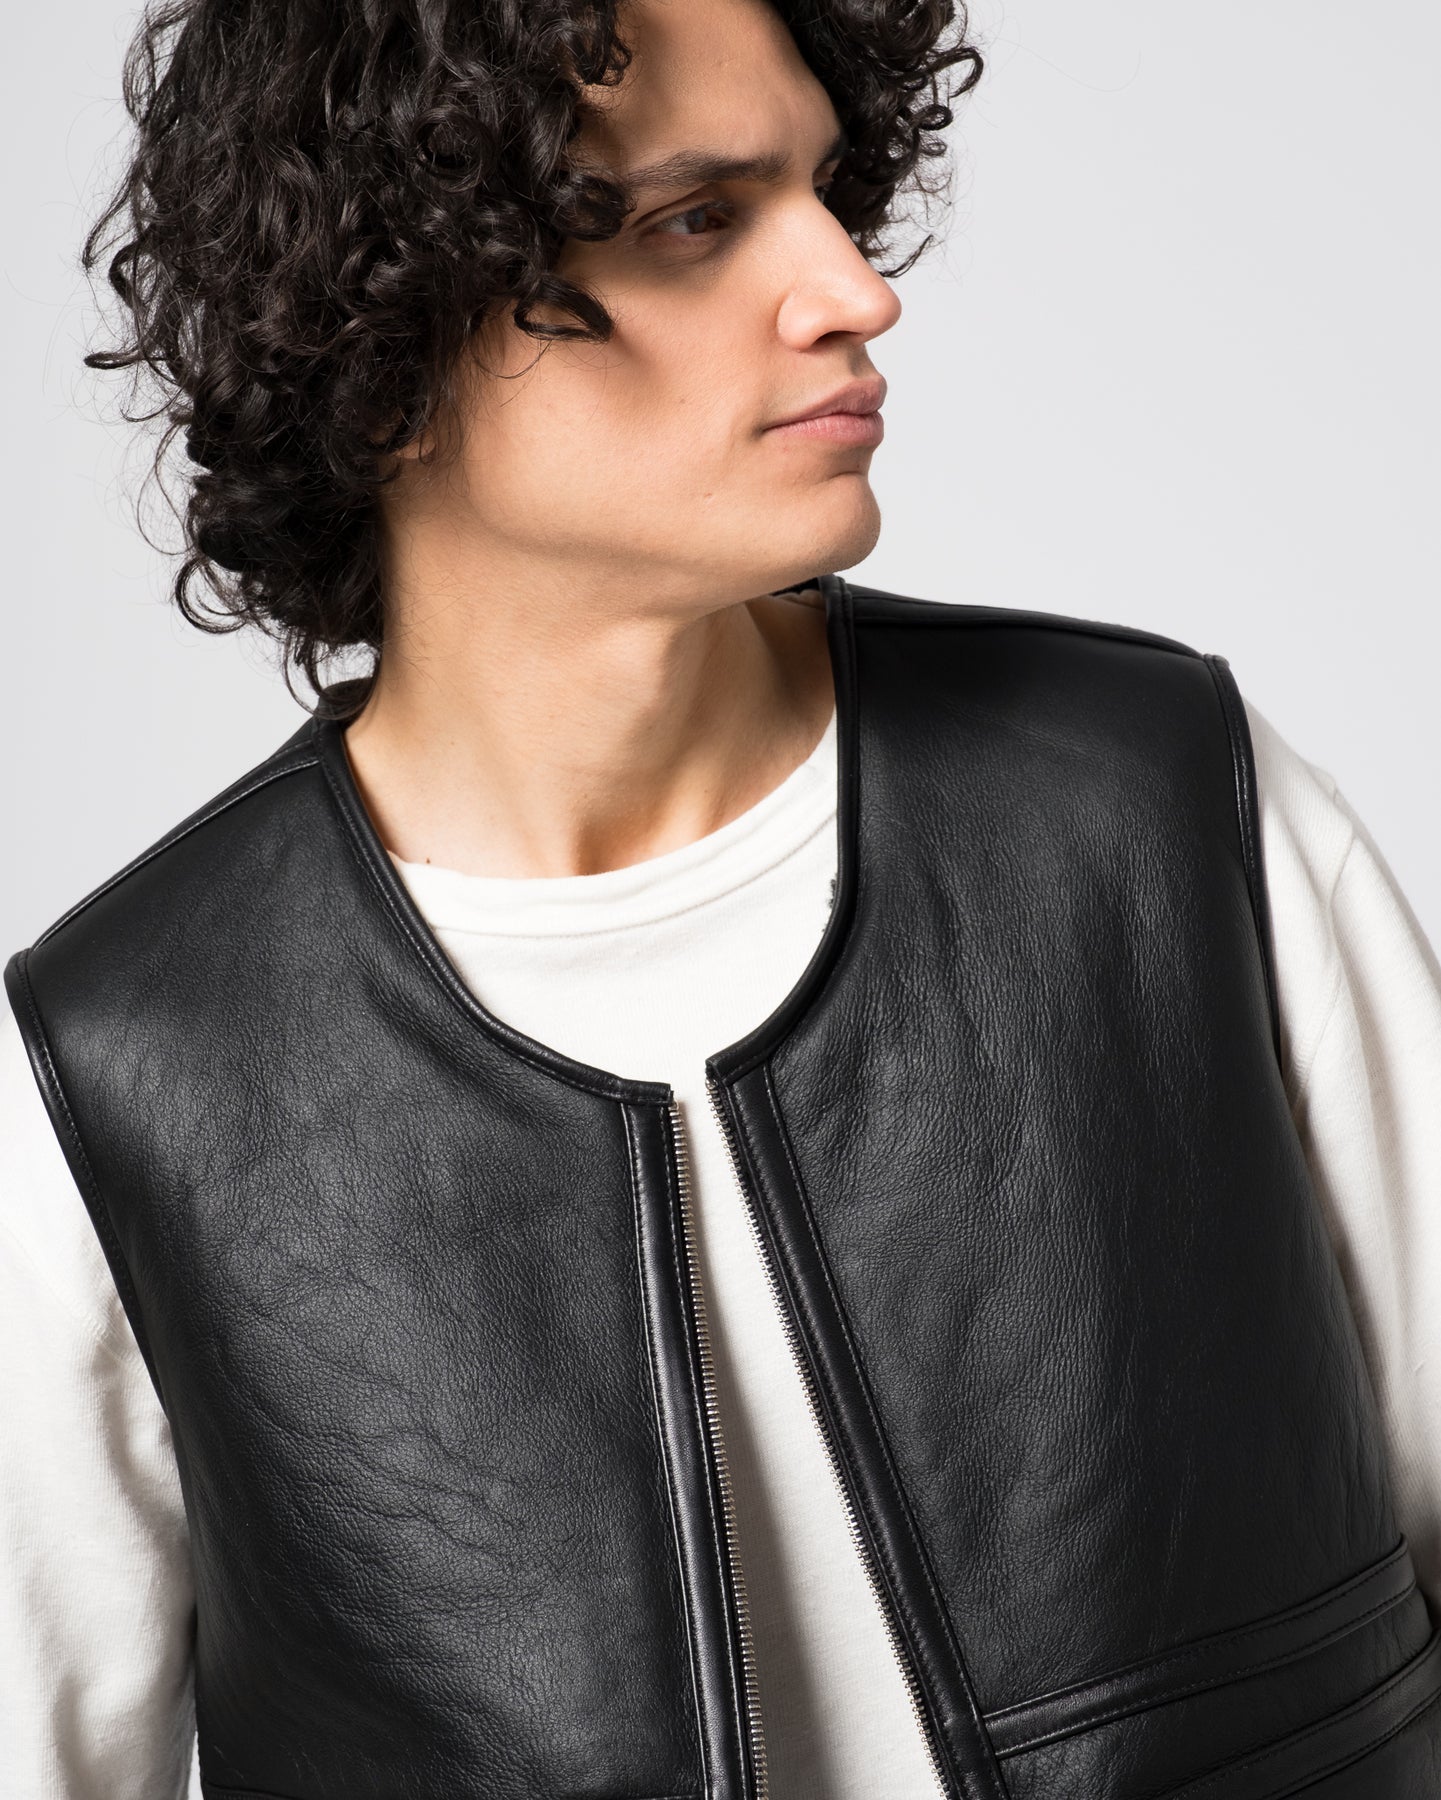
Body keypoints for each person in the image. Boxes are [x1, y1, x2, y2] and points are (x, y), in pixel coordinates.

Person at [2, 0, 1439, 1796]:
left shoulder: (1161, 808)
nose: (854, 290)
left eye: (827, 190)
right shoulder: (116, 1079)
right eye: (693, 221)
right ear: (383, 342)